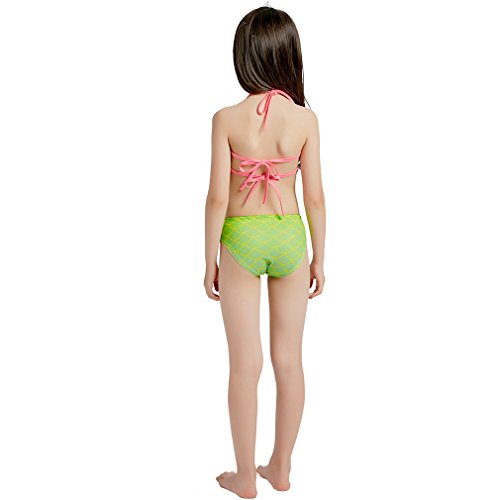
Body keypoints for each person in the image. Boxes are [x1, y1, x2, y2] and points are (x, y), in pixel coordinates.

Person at [204, 5, 326, 498]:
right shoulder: (305, 120)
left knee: (244, 364)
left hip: (240, 236)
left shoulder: (225, 119)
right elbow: (315, 197)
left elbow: (217, 197)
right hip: (289, 235)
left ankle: (243, 476)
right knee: (289, 360)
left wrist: (208, 259)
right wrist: (320, 257)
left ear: (244, 56)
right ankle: (281, 468)